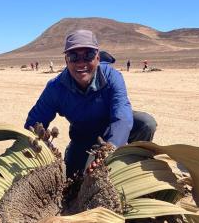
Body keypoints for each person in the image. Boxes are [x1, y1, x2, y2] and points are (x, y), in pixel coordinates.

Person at [24, 29, 156, 178]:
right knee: (72, 181)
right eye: (74, 56)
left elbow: (122, 117)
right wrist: (30, 145)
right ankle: (73, 154)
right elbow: (35, 121)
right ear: (66, 61)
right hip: (82, 136)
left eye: (88, 55)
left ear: (98, 58)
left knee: (146, 123)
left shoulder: (112, 77)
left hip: (111, 130)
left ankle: (133, 165)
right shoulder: (56, 87)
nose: (81, 63)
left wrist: (109, 149)